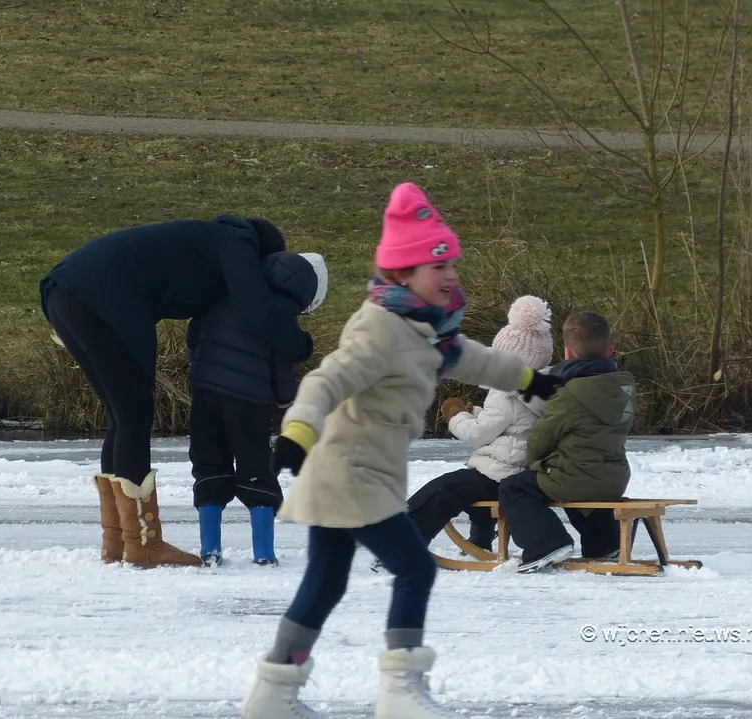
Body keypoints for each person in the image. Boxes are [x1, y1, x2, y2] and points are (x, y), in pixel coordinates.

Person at [239, 183, 566, 719]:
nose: (451, 275)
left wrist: (528, 377)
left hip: (356, 472)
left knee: (324, 583)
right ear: (403, 274)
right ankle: (401, 692)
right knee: (416, 568)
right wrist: (298, 430)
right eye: (439, 267)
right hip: (352, 473)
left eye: (452, 265)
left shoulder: (424, 332)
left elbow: (474, 360)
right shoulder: (382, 329)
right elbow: (327, 379)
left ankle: (273, 694)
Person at [39, 216, 312, 569]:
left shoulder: (209, 242)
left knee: (121, 416)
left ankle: (119, 541)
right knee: (133, 416)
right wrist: (298, 345)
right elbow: (256, 308)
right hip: (103, 293)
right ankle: (144, 545)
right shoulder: (237, 239)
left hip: (65, 290)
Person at [187, 250, 328, 566]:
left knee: (209, 463)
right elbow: (280, 367)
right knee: (256, 468)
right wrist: (291, 404)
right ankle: (263, 553)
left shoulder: (226, 293)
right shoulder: (277, 315)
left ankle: (210, 549)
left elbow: (195, 335)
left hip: (206, 393)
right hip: (248, 401)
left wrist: (203, 365)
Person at [391, 295, 554, 561]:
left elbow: (478, 434)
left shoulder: (505, 392)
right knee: (471, 480)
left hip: (503, 471)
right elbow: (513, 424)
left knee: (446, 488)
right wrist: (475, 412)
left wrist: (455, 416)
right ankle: (480, 540)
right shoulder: (546, 386)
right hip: (523, 471)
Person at [498, 310, 635, 573]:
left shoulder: (570, 393)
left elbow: (542, 437)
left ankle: (546, 543)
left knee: (515, 488)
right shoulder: (625, 388)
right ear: (611, 350)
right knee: (577, 479)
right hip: (614, 478)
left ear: (568, 353)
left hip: (576, 478)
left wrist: (535, 463)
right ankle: (604, 543)